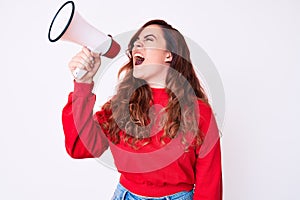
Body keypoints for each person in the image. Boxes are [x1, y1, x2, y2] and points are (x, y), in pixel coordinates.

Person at [62, 19, 222, 200]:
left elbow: (210, 183)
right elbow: (79, 147)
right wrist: (83, 84)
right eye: (136, 43)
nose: (138, 45)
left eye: (149, 40)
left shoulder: (199, 112)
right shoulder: (121, 105)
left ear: (168, 55)